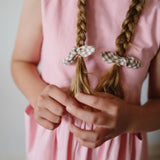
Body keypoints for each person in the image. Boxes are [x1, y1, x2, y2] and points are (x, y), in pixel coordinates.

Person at [11, 0, 160, 159]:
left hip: (118, 150)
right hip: (53, 145)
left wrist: (131, 119)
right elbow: (22, 61)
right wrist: (38, 96)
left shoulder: (156, 10)